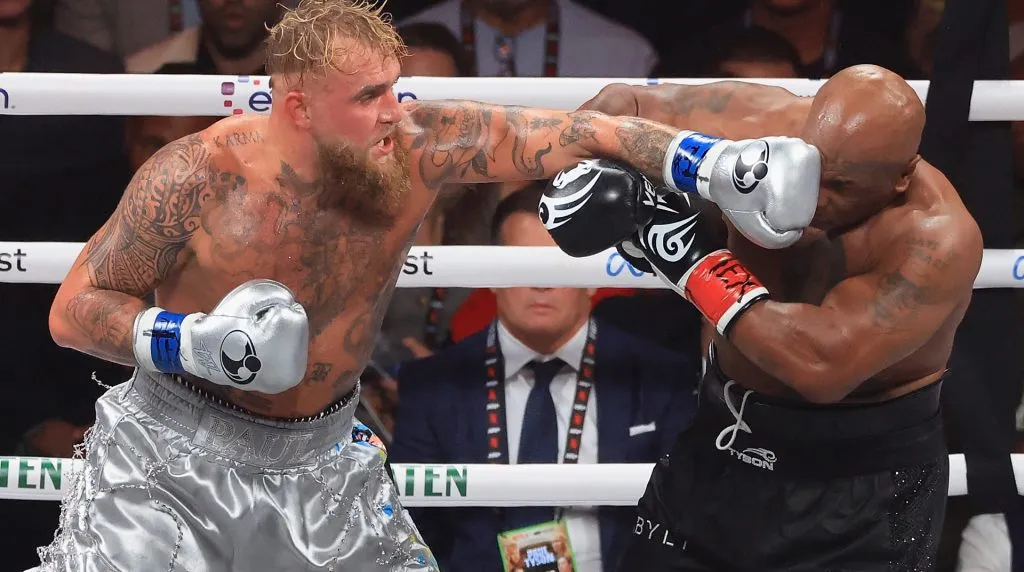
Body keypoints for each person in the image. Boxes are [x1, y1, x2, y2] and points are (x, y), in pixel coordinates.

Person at [38, 0, 818, 569]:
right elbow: (73, 309)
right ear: (299, 107)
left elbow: (577, 133)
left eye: (394, 86)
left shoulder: (416, 149)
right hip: (175, 456)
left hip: (323, 460)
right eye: (367, 97)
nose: (394, 111)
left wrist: (707, 164)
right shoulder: (199, 176)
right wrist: (197, 343)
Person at [541, 64, 983, 570]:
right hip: (722, 446)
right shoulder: (765, 127)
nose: (813, 197)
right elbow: (620, 108)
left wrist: (684, 256)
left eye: (840, 187)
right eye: (813, 170)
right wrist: (593, 177)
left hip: (862, 491)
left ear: (902, 176)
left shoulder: (936, 238)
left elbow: (819, 365)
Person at [389, 184, 698, 572]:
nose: (542, 282)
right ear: (492, 276)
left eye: (558, 263)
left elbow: (682, 523)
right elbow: (411, 533)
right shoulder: (434, 384)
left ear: (592, 277)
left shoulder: (659, 376)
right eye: (525, 264)